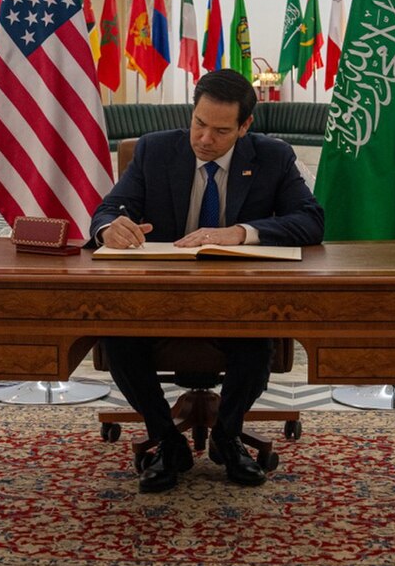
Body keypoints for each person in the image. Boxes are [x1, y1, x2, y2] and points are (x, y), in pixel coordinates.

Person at [90, 68, 325, 492]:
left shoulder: (272, 157)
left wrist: (241, 232)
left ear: (245, 126)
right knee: (116, 337)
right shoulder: (154, 150)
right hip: (158, 297)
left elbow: (311, 221)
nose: (204, 139)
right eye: (199, 123)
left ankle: (228, 436)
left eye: (220, 130)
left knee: (256, 339)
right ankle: (166, 439)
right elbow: (109, 208)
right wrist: (110, 227)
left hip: (236, 301)